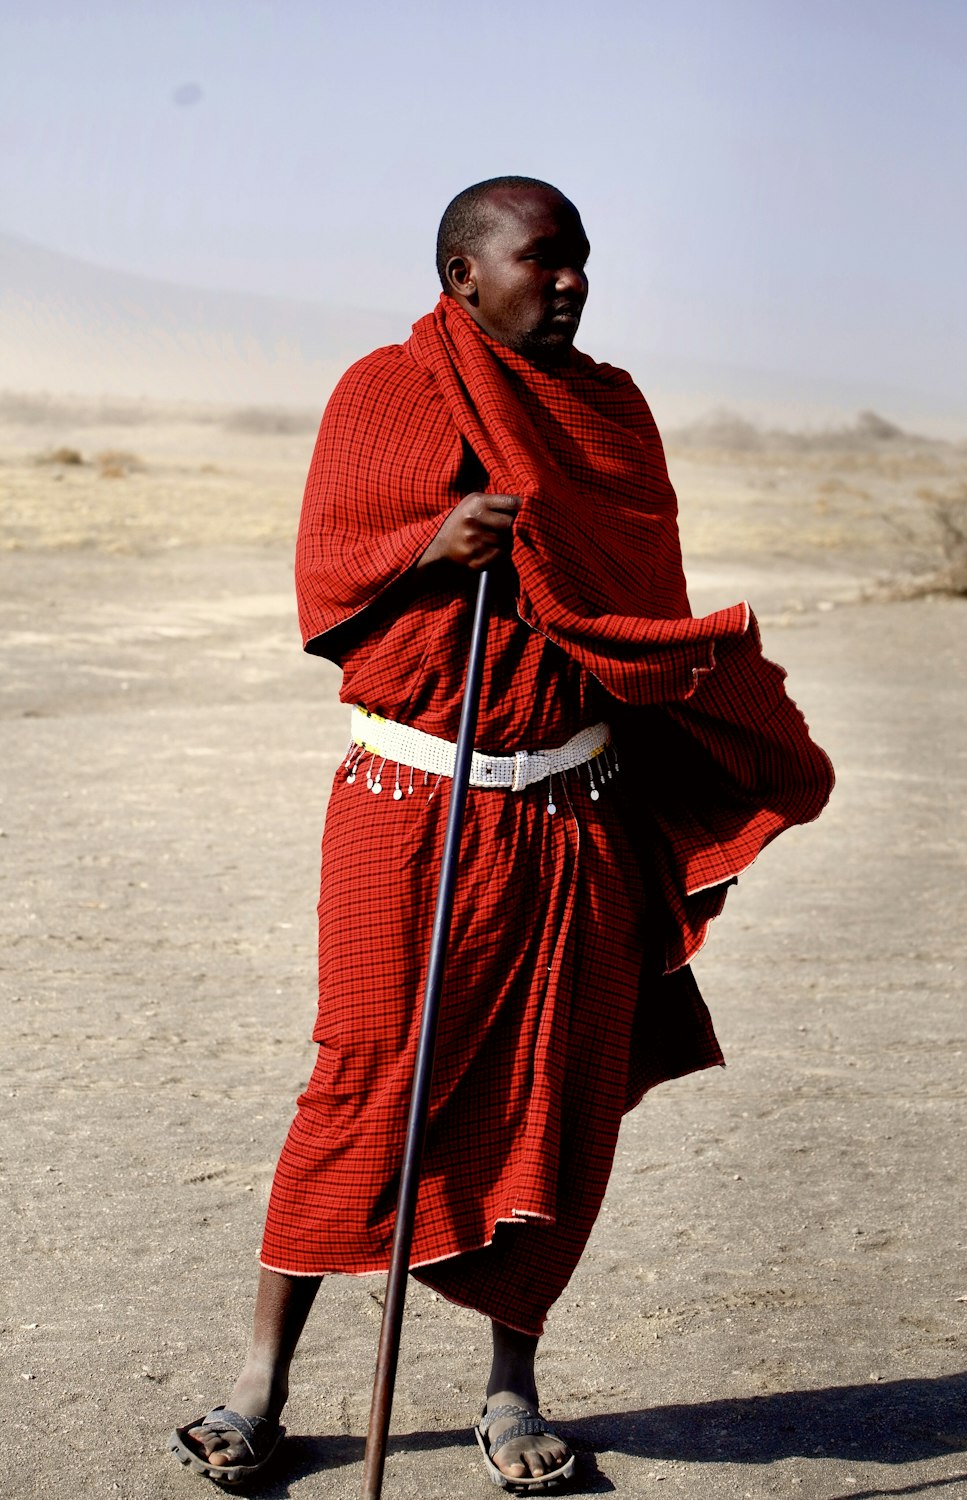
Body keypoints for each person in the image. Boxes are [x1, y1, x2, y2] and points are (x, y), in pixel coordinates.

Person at [170, 176, 833, 1491]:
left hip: (573, 812)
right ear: (464, 275)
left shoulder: (611, 411)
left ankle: (510, 1392)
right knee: (366, 1081)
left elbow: (642, 609)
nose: (574, 280)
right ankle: (259, 1389)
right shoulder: (391, 390)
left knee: (556, 1097)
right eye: (545, 260)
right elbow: (328, 582)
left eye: (583, 260)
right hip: (410, 809)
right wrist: (434, 545)